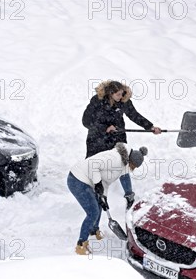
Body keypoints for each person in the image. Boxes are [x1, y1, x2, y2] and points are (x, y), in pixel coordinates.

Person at [82, 80, 160, 209]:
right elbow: (86, 121)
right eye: (118, 94)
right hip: (97, 139)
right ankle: (94, 194)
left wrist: (150, 127)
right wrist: (104, 128)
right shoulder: (97, 100)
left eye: (122, 94)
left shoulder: (124, 101)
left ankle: (129, 194)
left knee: (123, 164)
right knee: (93, 165)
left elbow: (134, 115)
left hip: (117, 138)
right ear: (110, 93)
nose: (121, 97)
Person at [67, 143, 148, 255]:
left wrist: (103, 196)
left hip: (88, 181)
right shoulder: (114, 158)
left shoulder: (123, 166)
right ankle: (81, 245)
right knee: (93, 212)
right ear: (130, 160)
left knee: (100, 205)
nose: (132, 169)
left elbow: (106, 181)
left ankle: (93, 230)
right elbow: (92, 164)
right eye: (133, 166)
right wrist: (97, 183)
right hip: (77, 179)